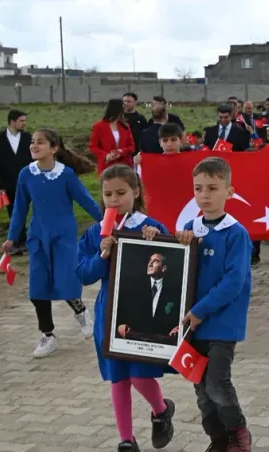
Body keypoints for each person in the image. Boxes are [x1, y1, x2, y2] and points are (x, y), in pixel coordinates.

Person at [76, 165, 177, 452]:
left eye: (121, 193)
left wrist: (157, 238)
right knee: (118, 377)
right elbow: (84, 274)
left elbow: (174, 267)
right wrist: (102, 254)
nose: (114, 200)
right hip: (109, 311)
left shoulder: (151, 225)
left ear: (136, 192)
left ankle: (161, 410)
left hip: (142, 312)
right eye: (107, 194)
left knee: (139, 374)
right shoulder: (96, 232)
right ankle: (126, 440)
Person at [1, 129, 103, 357]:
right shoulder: (25, 175)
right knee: (38, 286)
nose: (34, 146)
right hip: (38, 236)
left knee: (65, 279)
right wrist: (11, 237)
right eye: (32, 143)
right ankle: (47, 335)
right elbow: (19, 208)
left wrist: (107, 224)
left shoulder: (66, 175)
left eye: (40, 143)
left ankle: (81, 312)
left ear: (54, 148)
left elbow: (87, 201)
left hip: (64, 237)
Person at [177, 157, 253, 452]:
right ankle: (217, 439)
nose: (204, 195)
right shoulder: (188, 227)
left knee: (217, 385)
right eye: (198, 188)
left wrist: (200, 310)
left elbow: (234, 282)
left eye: (212, 188)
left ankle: (238, 435)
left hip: (222, 323)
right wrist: (178, 243)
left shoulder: (236, 234)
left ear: (229, 192)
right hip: (193, 326)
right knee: (201, 389)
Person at [115, 252, 181, 346]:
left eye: (155, 261)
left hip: (163, 343)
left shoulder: (175, 291)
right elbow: (121, 309)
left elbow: (178, 316)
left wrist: (179, 327)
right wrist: (120, 325)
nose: (150, 264)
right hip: (135, 342)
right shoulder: (134, 287)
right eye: (150, 260)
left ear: (164, 268)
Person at [0, 109, 32, 256]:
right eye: (21, 121)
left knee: (24, 210)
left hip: (26, 182)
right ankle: (17, 242)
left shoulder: (28, 138)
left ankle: (23, 241)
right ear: (12, 122)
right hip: (8, 183)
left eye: (24, 120)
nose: (24, 123)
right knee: (13, 212)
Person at [90, 98, 137, 176]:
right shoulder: (99, 126)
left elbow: (132, 147)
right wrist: (106, 155)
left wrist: (121, 151)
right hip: (107, 166)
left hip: (124, 166)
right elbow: (93, 146)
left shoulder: (125, 126)